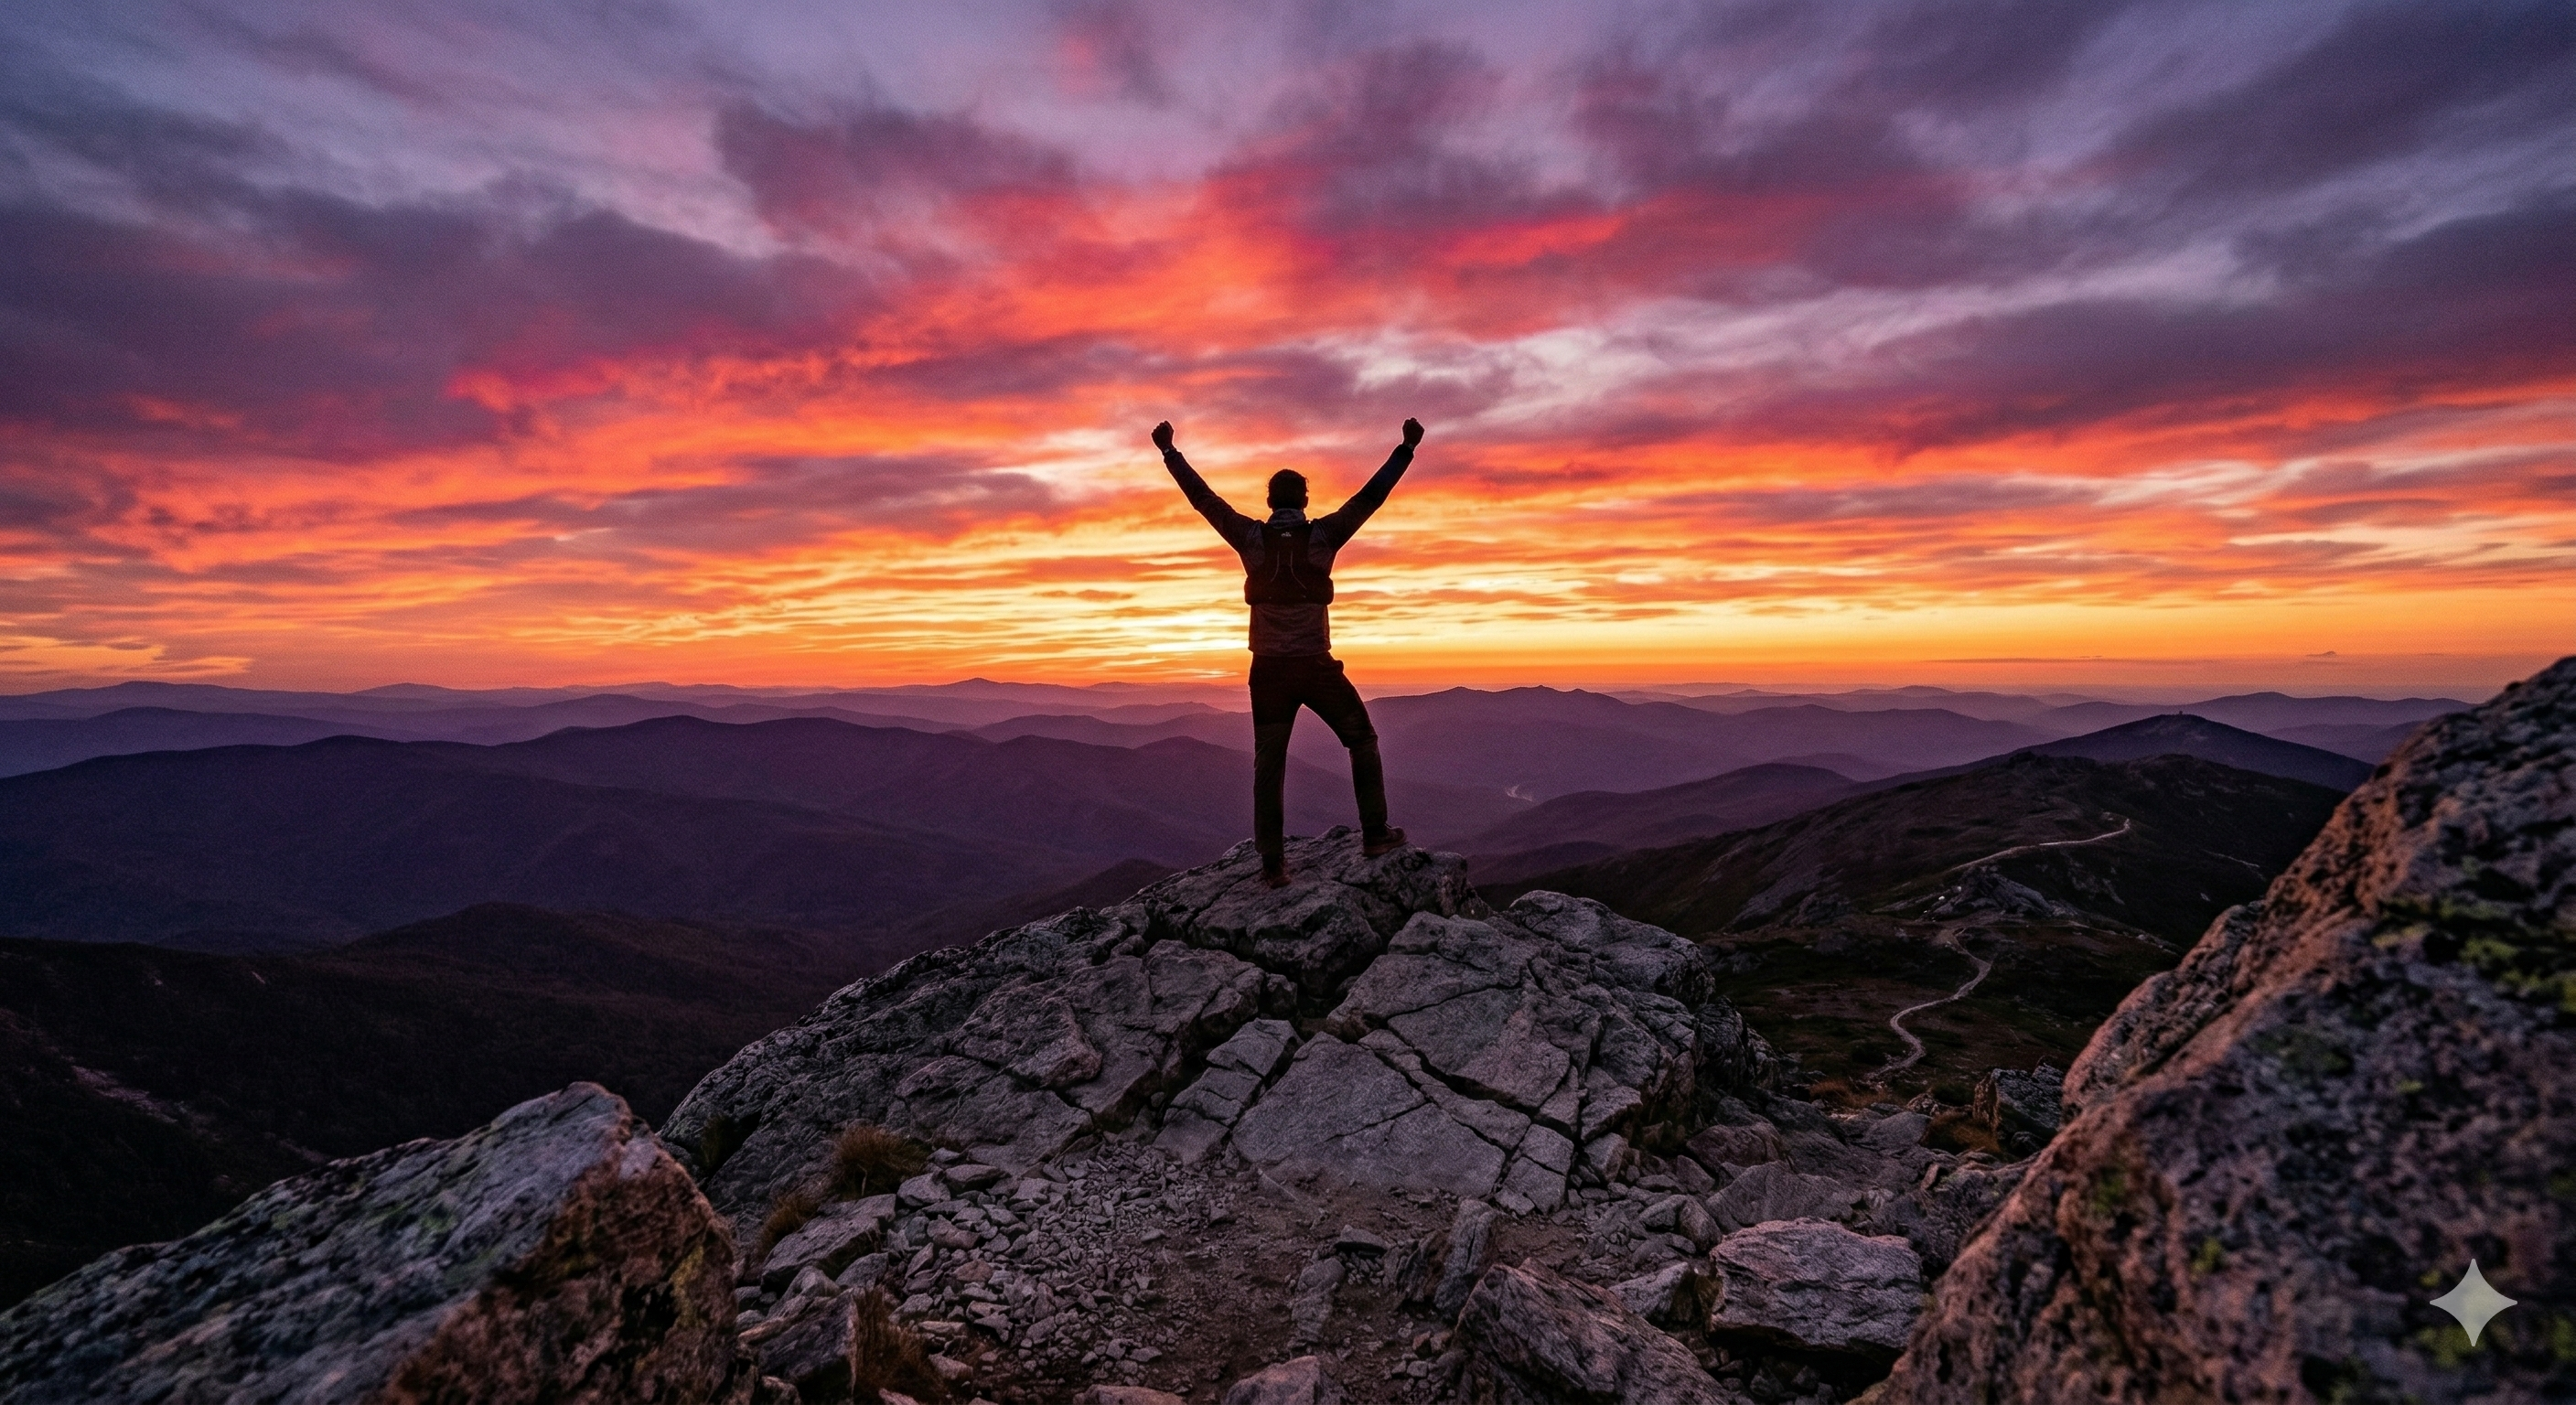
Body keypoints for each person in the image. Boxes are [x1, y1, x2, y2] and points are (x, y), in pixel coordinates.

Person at [1154, 417, 1422, 887]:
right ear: (1304, 501)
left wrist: (1171, 453)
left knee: (1269, 762)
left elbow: (1205, 501)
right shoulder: (1321, 537)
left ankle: (1273, 864)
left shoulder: (1251, 539)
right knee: (1361, 740)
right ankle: (1376, 833)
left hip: (1268, 672)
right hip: (1316, 667)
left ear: (1269, 503)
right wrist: (1405, 449)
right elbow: (1369, 498)